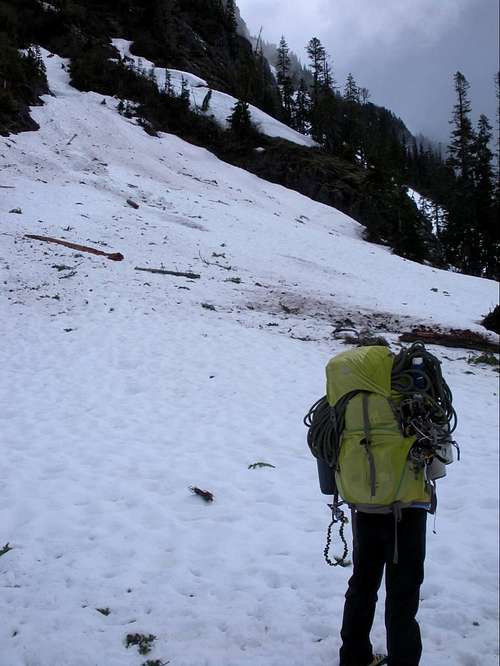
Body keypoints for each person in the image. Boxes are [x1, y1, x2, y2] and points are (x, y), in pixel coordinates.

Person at [305, 343, 457, 666]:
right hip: (408, 510)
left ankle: (354, 656)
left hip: (364, 509)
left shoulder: (342, 401)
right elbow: (441, 457)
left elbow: (325, 449)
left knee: (362, 584)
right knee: (403, 594)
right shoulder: (413, 395)